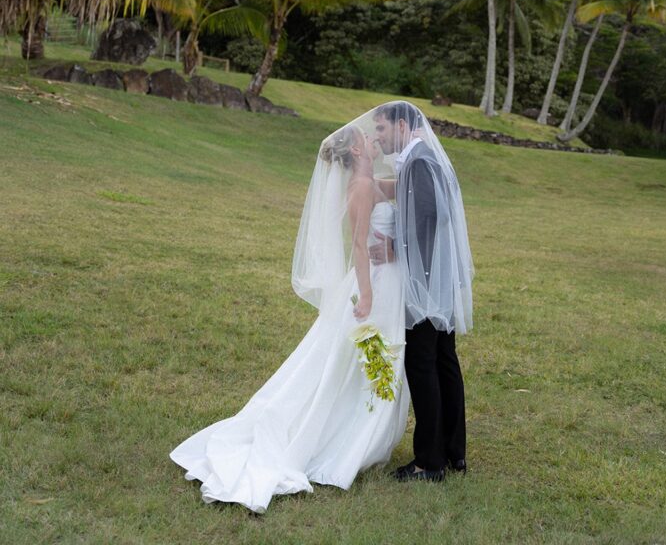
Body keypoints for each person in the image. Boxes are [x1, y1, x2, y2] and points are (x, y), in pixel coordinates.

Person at [169, 120, 409, 513]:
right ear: (356, 151)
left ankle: (360, 431)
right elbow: (360, 247)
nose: (373, 137)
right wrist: (365, 295)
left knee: (361, 362)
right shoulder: (362, 188)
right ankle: (348, 437)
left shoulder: (372, 182)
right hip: (374, 286)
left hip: (385, 282)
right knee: (366, 360)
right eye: (368, 137)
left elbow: (402, 189)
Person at [372, 101, 474, 482]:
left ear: (401, 125)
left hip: (426, 280)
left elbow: (430, 216)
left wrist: (395, 248)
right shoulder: (425, 157)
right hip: (441, 278)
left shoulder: (418, 161)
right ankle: (453, 452)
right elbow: (414, 200)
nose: (379, 137)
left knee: (423, 364)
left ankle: (428, 462)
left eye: (381, 129)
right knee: (445, 361)